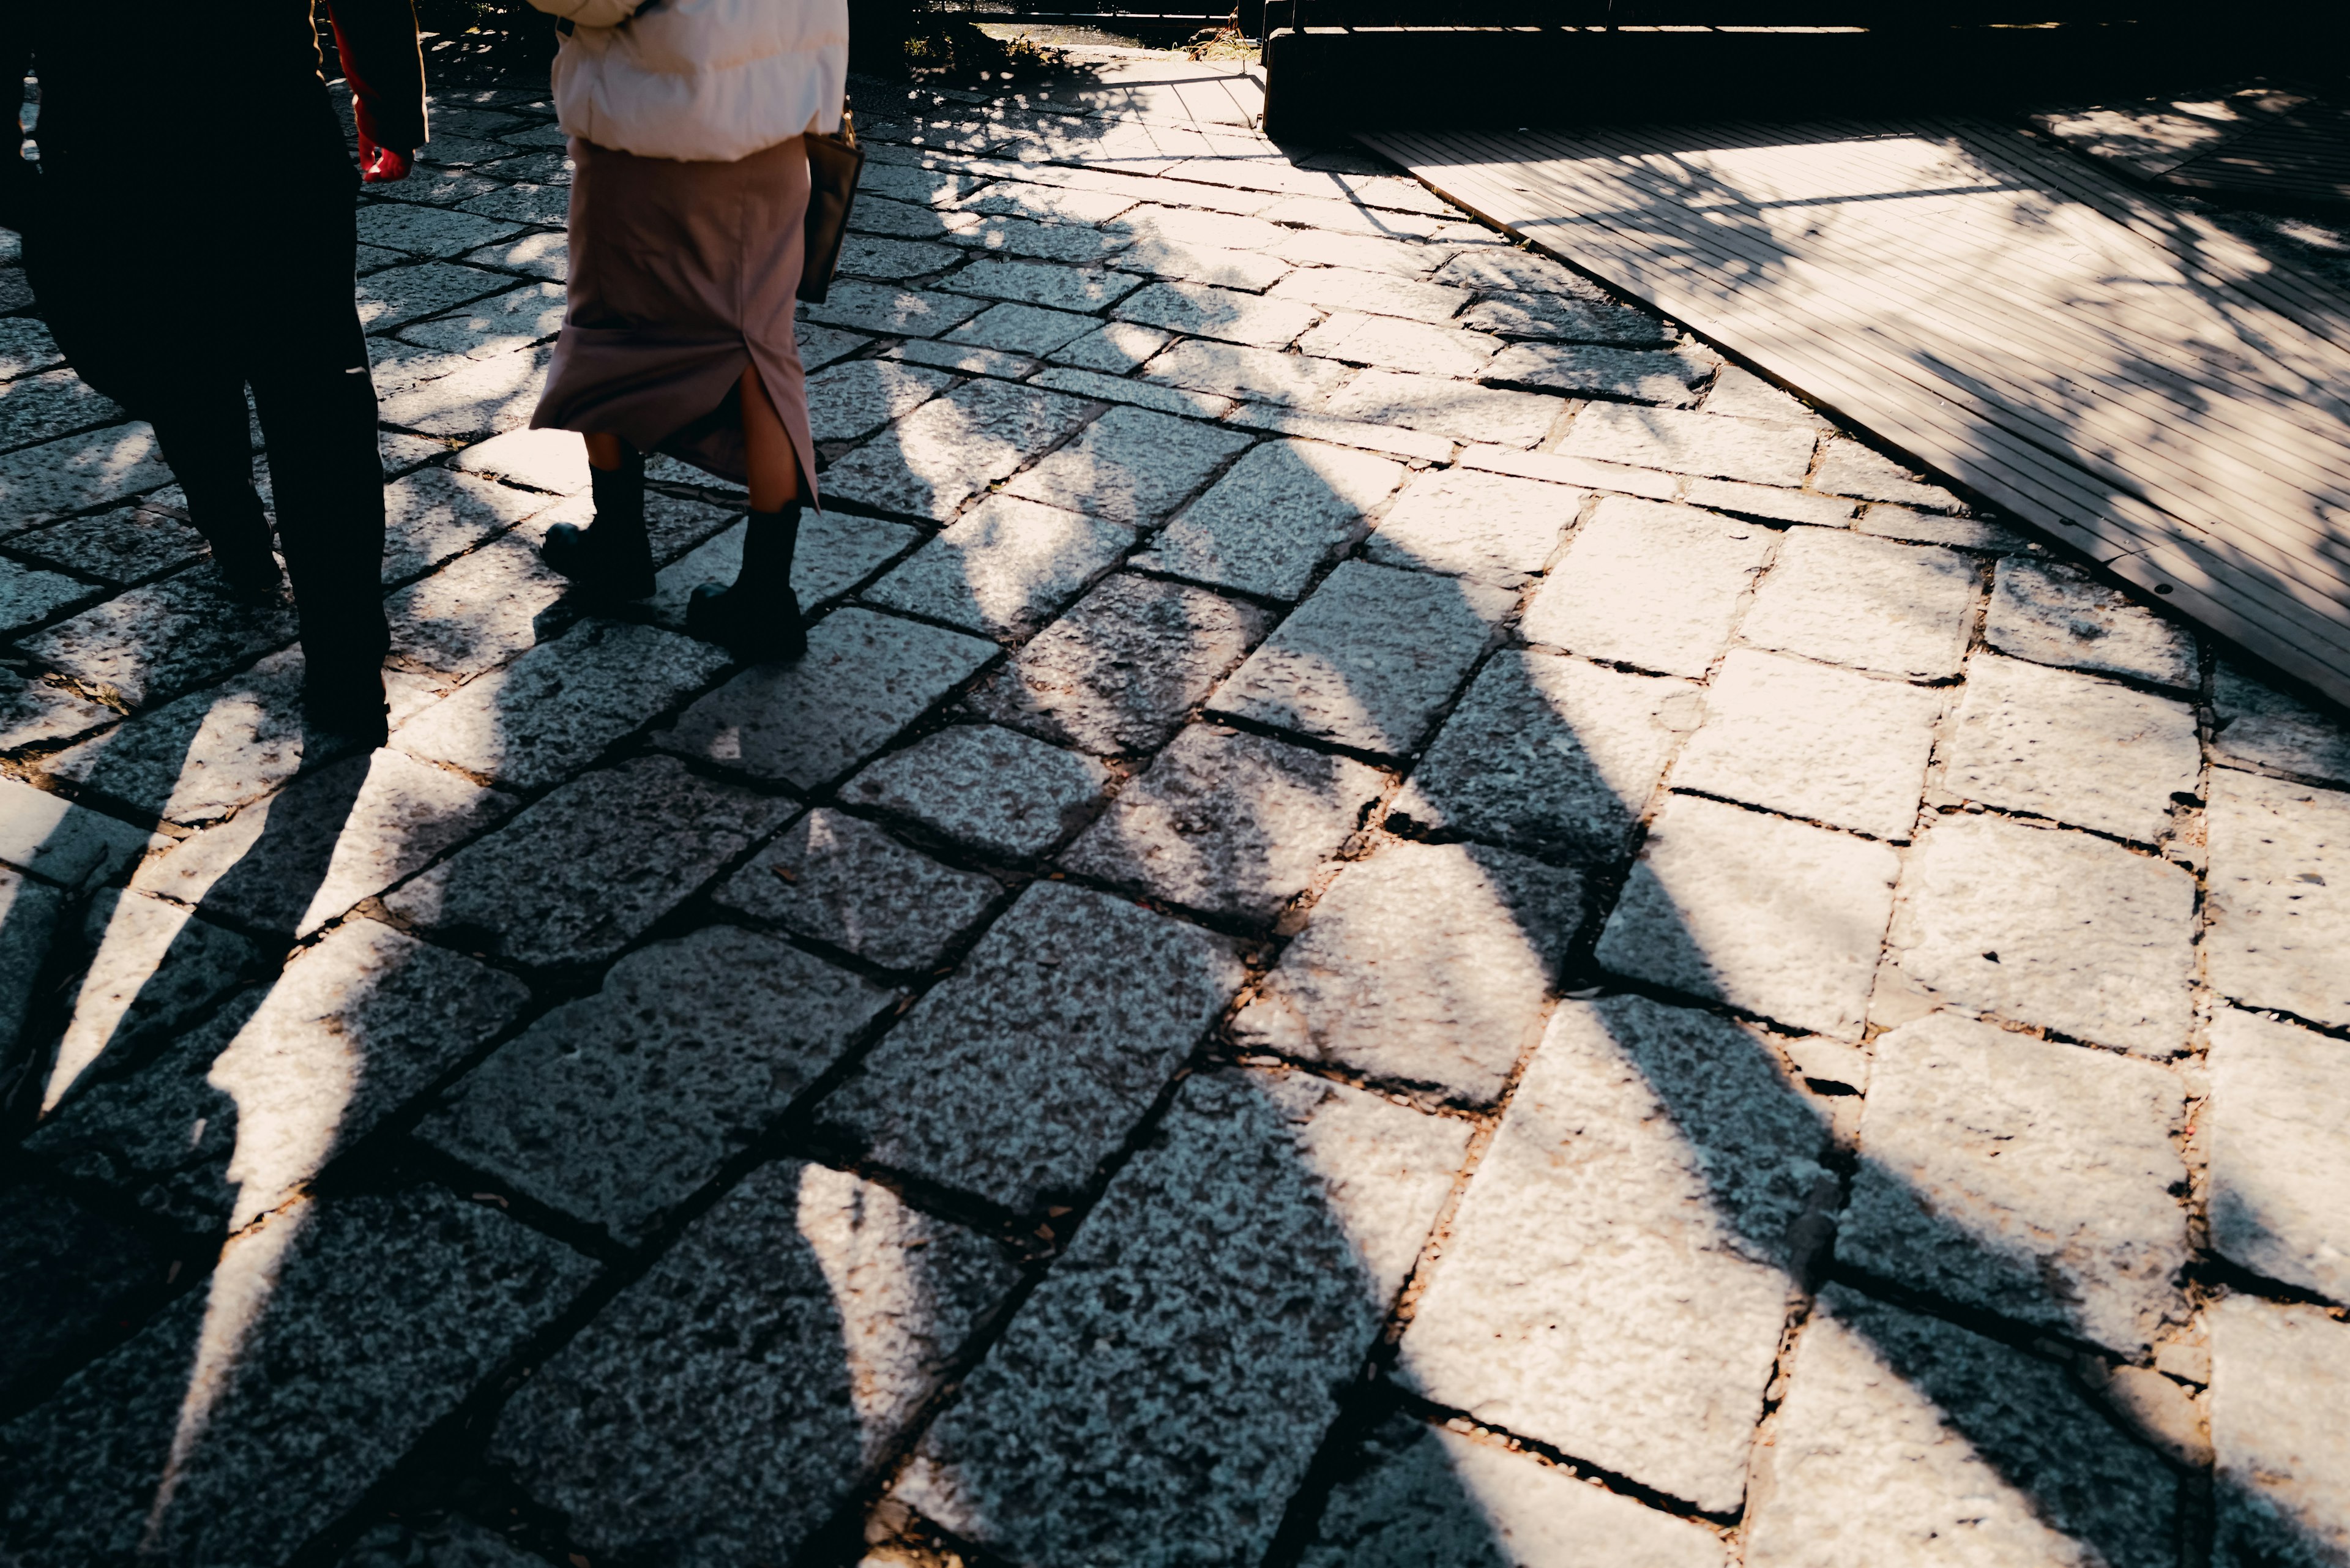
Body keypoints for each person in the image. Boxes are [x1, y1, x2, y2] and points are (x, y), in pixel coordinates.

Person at [1, 1, 425, 737]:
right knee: (316, 394)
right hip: (272, 136)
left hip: (111, 150)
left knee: (177, 361)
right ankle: (348, 664)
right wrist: (386, 107)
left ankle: (236, 537)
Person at [523, 0, 847, 661]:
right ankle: (765, 595)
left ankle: (618, 545)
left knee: (607, 326)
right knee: (759, 348)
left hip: (655, 126)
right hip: (777, 125)